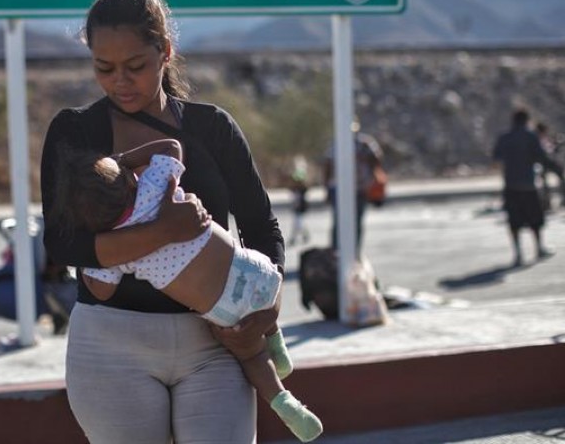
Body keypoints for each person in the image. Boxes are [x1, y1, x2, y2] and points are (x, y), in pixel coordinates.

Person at [41, 0, 289, 443]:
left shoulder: (211, 127)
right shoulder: (75, 131)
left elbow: (260, 226)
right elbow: (62, 244)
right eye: (104, 68)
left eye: (135, 66)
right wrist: (162, 232)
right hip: (111, 347)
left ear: (165, 52)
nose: (120, 81)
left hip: (212, 344)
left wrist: (268, 301)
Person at [51, 138, 322, 442]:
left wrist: (91, 253)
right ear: (128, 181)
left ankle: (281, 399)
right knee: (259, 314)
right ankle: (277, 346)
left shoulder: (120, 249)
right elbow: (171, 148)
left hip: (222, 309)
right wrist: (124, 159)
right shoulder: (153, 186)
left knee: (251, 356)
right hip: (256, 271)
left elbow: (99, 291)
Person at [493, 109, 562, 265]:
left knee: (514, 221)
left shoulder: (504, 138)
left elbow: (496, 160)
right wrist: (558, 170)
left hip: (510, 185)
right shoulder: (531, 136)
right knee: (535, 219)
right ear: (526, 120)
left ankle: (518, 254)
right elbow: (542, 158)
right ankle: (539, 248)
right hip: (528, 185)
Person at [323, 122, 383, 255]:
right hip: (339, 188)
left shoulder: (364, 143)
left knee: (356, 220)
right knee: (339, 220)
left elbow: (377, 158)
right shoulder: (337, 143)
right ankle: (335, 251)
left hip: (359, 188)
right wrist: (327, 188)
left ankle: (354, 252)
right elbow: (328, 165)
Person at [287, 156, 311, 247]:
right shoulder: (295, 190)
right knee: (298, 224)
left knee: (298, 224)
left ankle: (297, 237)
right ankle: (302, 236)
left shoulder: (302, 190)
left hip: (300, 209)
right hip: (296, 208)